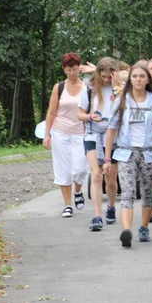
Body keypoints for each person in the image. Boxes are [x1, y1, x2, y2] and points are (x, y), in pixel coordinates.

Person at [104, 62, 152, 248]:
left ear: (147, 79)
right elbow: (111, 130)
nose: (138, 79)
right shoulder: (121, 101)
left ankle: (143, 226)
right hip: (126, 153)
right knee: (127, 193)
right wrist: (108, 158)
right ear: (130, 79)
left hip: (149, 153)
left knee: (148, 194)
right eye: (135, 76)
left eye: (142, 76)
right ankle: (126, 231)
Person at [43, 52, 88, 218]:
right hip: (60, 132)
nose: (72, 72)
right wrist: (47, 135)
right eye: (69, 69)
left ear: (79, 69)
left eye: (75, 69)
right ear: (64, 69)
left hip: (80, 133)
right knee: (63, 170)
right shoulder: (59, 87)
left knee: (79, 169)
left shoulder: (86, 88)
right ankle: (67, 205)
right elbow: (51, 112)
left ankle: (78, 191)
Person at [79, 57, 120, 231]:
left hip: (113, 135)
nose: (105, 80)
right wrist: (89, 116)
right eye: (102, 76)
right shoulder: (88, 89)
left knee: (110, 178)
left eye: (109, 77)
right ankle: (97, 216)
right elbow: (80, 113)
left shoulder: (120, 88)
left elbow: (126, 106)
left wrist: (117, 86)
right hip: (92, 133)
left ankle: (111, 206)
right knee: (96, 175)